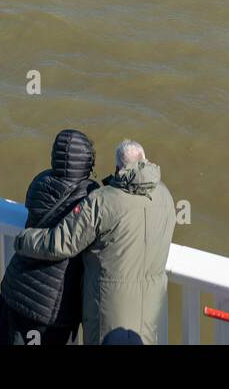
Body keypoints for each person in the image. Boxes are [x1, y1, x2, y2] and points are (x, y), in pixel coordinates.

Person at [13, 139, 176, 345]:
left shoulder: (103, 200)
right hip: (149, 308)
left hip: (109, 309)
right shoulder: (165, 195)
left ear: (118, 168)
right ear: (144, 160)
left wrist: (23, 240)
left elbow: (62, 243)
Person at [0, 128, 98, 346]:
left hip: (16, 286)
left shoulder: (40, 182)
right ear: (86, 160)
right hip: (53, 305)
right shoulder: (90, 195)